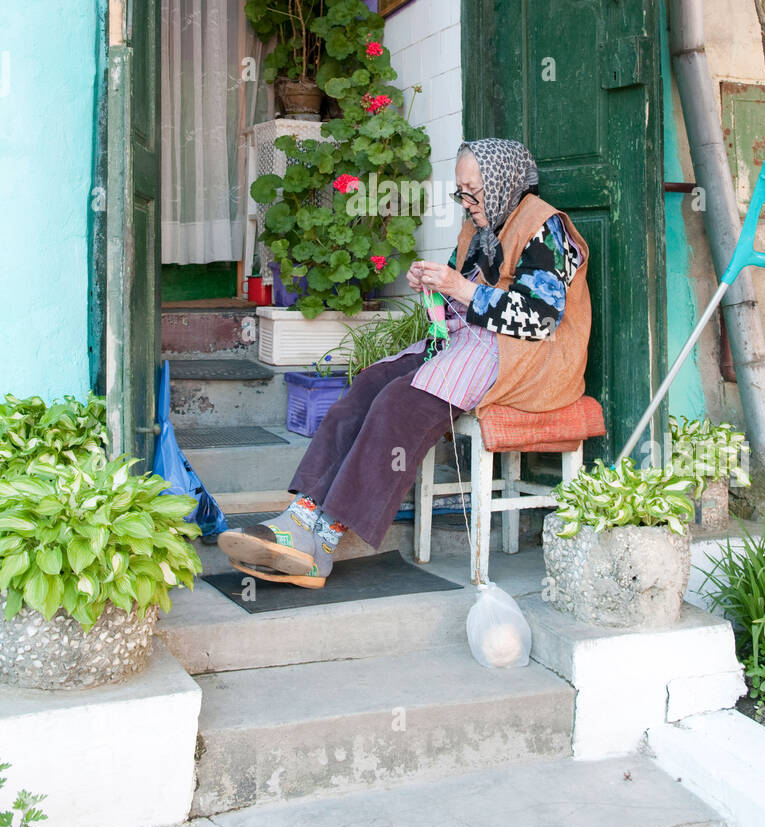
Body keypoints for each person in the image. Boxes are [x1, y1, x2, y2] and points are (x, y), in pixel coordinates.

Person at [218, 138, 592, 588]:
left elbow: (539, 319)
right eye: (461, 192)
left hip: (528, 359)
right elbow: (457, 293)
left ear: (501, 183)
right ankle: (299, 519)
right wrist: (432, 282)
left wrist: (457, 286)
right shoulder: (479, 227)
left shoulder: (543, 227)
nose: (467, 202)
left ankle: (323, 542)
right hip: (474, 342)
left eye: (474, 192)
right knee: (370, 383)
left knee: (401, 403)